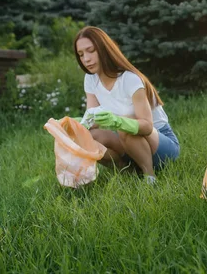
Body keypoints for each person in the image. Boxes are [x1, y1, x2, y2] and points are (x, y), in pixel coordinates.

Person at [74, 26, 180, 184]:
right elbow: (92, 118)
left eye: (91, 51)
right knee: (89, 137)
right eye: (81, 54)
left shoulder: (130, 79)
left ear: (104, 49)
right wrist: (73, 126)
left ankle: (149, 177)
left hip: (162, 146)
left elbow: (147, 126)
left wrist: (118, 121)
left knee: (126, 124)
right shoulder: (91, 79)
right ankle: (127, 171)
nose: (86, 59)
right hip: (130, 143)